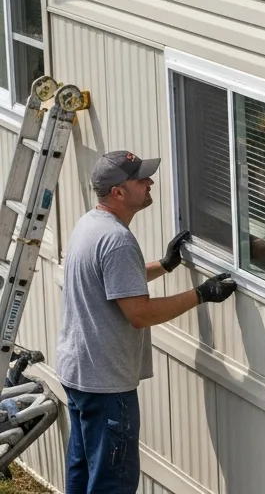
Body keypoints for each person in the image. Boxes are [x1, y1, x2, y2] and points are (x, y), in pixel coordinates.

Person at [55, 151, 236, 494]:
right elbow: (139, 314)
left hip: (79, 374)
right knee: (112, 482)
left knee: (83, 474)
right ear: (119, 193)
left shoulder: (91, 225)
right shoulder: (117, 240)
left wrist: (164, 265)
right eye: (141, 179)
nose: (150, 182)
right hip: (105, 385)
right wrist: (201, 294)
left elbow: (114, 284)